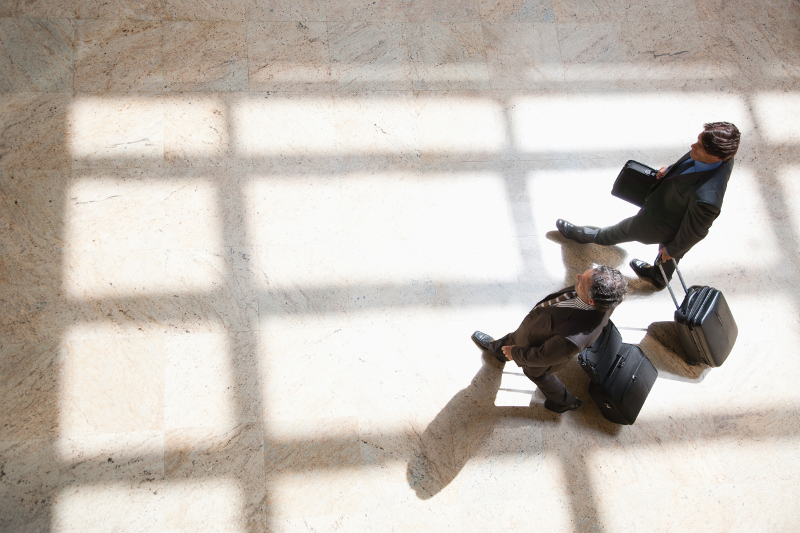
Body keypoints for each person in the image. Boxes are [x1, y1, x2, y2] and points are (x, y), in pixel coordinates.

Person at [555, 122, 740, 288]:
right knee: (669, 255)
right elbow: (690, 166)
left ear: (716, 157)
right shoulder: (722, 156)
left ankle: (581, 235)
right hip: (673, 209)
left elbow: (695, 232)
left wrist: (672, 250)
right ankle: (659, 278)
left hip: (657, 224)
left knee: (618, 231)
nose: (693, 146)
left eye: (699, 146)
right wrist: (669, 170)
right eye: (697, 141)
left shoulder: (707, 200)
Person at [471, 266, 627, 413]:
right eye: (584, 274)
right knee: (515, 337)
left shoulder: (573, 338)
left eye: (581, 281)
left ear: (591, 301)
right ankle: (497, 350)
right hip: (536, 330)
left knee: (537, 374)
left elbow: (542, 356)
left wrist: (515, 352)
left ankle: (565, 402)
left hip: (541, 352)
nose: (577, 277)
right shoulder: (606, 298)